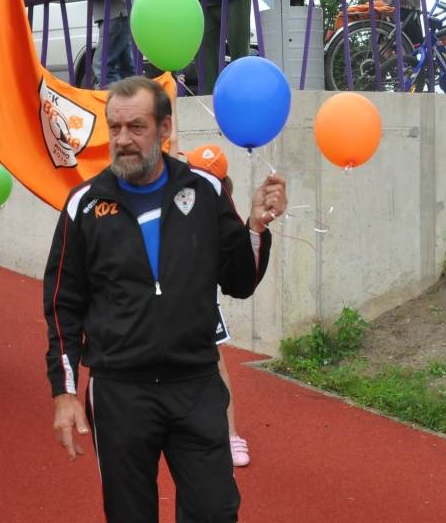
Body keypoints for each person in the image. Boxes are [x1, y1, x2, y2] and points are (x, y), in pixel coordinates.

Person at [44, 76, 286, 521]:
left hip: (194, 383)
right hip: (119, 390)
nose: (123, 140)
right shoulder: (84, 204)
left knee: (215, 511)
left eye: (136, 127)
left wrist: (255, 228)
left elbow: (239, 281)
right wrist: (64, 391)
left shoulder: (206, 190)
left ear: (165, 128)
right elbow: (62, 305)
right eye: (114, 128)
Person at [183, 143, 250, 468]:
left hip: (200, 302)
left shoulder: (218, 209)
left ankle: (232, 434)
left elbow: (238, 271)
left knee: (216, 364)